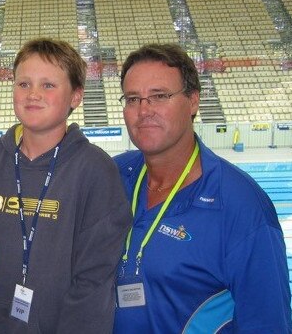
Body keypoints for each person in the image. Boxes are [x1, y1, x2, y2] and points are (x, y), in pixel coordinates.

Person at [113, 43, 292, 333]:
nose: (143, 110)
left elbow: (268, 322)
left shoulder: (241, 206)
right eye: (133, 99)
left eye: (159, 96)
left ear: (193, 101)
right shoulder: (113, 177)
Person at [0, 38, 132, 333]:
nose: (33, 95)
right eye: (23, 84)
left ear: (76, 96)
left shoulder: (95, 170)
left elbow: (94, 280)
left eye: (48, 85)